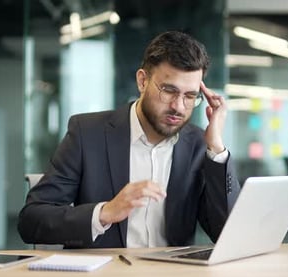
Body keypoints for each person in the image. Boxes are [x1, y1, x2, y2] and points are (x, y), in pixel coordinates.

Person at [18, 31, 241, 249]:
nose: (178, 106)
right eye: (168, 91)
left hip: (172, 273)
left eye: (190, 96)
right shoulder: (87, 134)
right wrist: (104, 213)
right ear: (142, 81)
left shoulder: (197, 145)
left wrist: (216, 149)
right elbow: (31, 220)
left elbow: (228, 233)